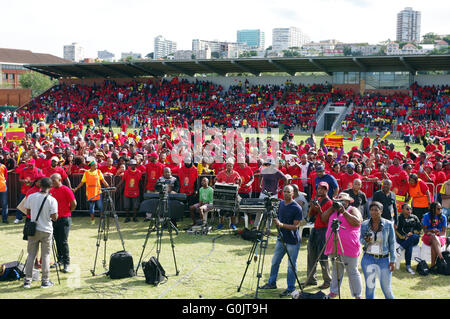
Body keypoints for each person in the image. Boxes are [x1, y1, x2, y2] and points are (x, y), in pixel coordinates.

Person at [259, 185, 303, 297]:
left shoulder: (297, 207)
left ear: (293, 193)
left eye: (289, 192)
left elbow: (295, 226)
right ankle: (271, 283)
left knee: (291, 266)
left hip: (292, 241)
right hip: (281, 239)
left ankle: (290, 288)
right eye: (285, 191)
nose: (286, 193)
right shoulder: (281, 204)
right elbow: (278, 218)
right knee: (275, 261)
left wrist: (281, 224)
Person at [321, 192, 363, 299]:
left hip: (349, 247)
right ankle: (333, 291)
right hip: (334, 246)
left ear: (348, 202)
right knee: (336, 270)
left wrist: (343, 211)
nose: (341, 202)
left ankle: (357, 295)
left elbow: (357, 222)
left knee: (352, 271)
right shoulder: (333, 211)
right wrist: (332, 208)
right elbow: (323, 218)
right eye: (338, 200)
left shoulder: (352, 209)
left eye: (343, 200)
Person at [23, 177, 58, 289]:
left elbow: (28, 212)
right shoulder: (52, 200)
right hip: (46, 229)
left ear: (40, 185)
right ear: (50, 186)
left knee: (31, 255)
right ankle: (45, 281)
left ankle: (27, 281)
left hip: (33, 229)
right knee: (46, 255)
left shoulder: (31, 197)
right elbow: (55, 217)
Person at [360, 201, 396, 299]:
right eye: (371, 210)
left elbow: (392, 243)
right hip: (368, 258)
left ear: (381, 211)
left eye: (376, 210)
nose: (373, 212)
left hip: (383, 259)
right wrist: (366, 241)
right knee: (370, 287)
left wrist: (392, 260)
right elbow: (361, 240)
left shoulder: (388, 224)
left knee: (386, 288)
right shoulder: (364, 224)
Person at [303, 181, 333, 290]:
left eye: (323, 189)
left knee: (322, 256)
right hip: (315, 229)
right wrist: (312, 206)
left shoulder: (329, 203)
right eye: (319, 188)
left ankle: (327, 280)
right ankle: (311, 279)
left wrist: (319, 208)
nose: (320, 190)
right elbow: (311, 215)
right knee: (311, 254)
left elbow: (325, 219)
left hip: (324, 230)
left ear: (327, 190)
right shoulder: (318, 200)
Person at [49, 173, 77, 273]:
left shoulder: (66, 189)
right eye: (51, 180)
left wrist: (68, 212)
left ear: (60, 179)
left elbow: (74, 203)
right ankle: (59, 260)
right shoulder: (51, 191)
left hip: (64, 218)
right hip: (54, 219)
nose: (52, 182)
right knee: (56, 240)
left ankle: (67, 263)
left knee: (63, 241)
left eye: (54, 180)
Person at [72, 159, 110, 225]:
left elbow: (103, 180)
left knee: (100, 207)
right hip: (90, 193)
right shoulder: (86, 173)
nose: (97, 166)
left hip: (98, 192)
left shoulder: (98, 172)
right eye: (95, 165)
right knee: (91, 208)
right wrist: (76, 188)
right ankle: (92, 220)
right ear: (92, 166)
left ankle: (102, 220)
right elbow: (82, 183)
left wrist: (108, 187)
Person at [215, 158, 242, 230]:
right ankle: (221, 224)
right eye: (228, 165)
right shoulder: (221, 173)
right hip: (223, 195)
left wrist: (238, 186)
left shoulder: (235, 173)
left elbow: (240, 180)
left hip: (232, 195)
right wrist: (218, 185)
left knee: (233, 210)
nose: (229, 167)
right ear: (226, 166)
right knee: (222, 209)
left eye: (230, 166)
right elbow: (216, 179)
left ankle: (233, 224)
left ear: (232, 166)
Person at [395, 203, 422, 274]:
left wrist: (412, 233)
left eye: (410, 209)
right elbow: (396, 230)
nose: (409, 210)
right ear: (402, 209)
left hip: (414, 237)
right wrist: (404, 236)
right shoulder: (398, 217)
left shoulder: (414, 217)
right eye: (407, 209)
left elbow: (419, 229)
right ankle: (408, 266)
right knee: (409, 245)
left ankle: (400, 248)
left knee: (414, 237)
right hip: (402, 238)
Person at [422, 202, 448, 268]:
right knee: (433, 237)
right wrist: (431, 231)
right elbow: (425, 230)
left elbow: (444, 232)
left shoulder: (443, 217)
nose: (440, 210)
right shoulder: (426, 216)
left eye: (441, 208)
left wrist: (438, 233)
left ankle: (432, 266)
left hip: (440, 237)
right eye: (438, 209)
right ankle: (441, 258)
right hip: (428, 236)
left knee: (434, 241)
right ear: (433, 209)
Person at [0, 159, 8, 224]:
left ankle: (4, 219)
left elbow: (6, 176)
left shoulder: (3, 166)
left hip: (2, 187)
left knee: (4, 204)